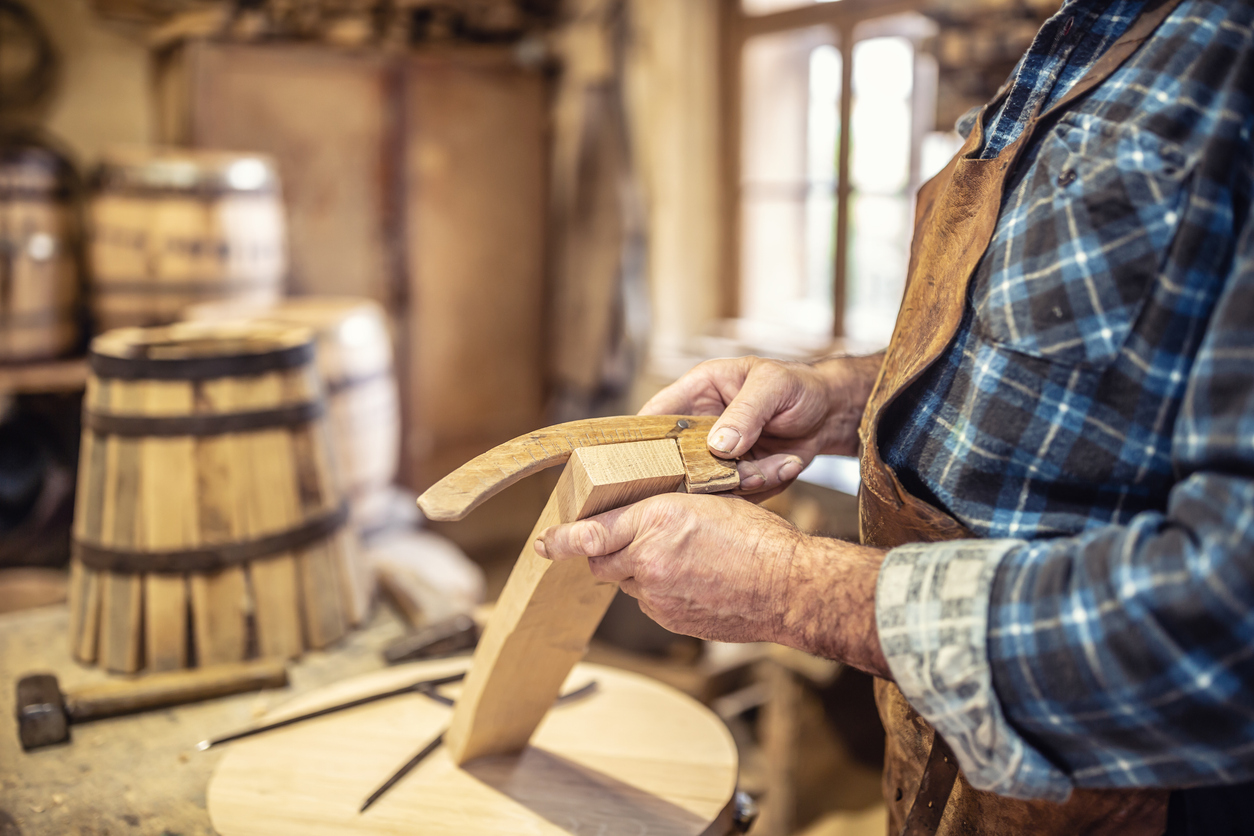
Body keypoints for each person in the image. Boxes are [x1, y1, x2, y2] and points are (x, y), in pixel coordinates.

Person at [535, 0, 1254, 833]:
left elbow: (1229, 622)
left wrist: (795, 593)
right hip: (955, 777)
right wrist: (843, 396)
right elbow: (1068, 364)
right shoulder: (1097, 33)